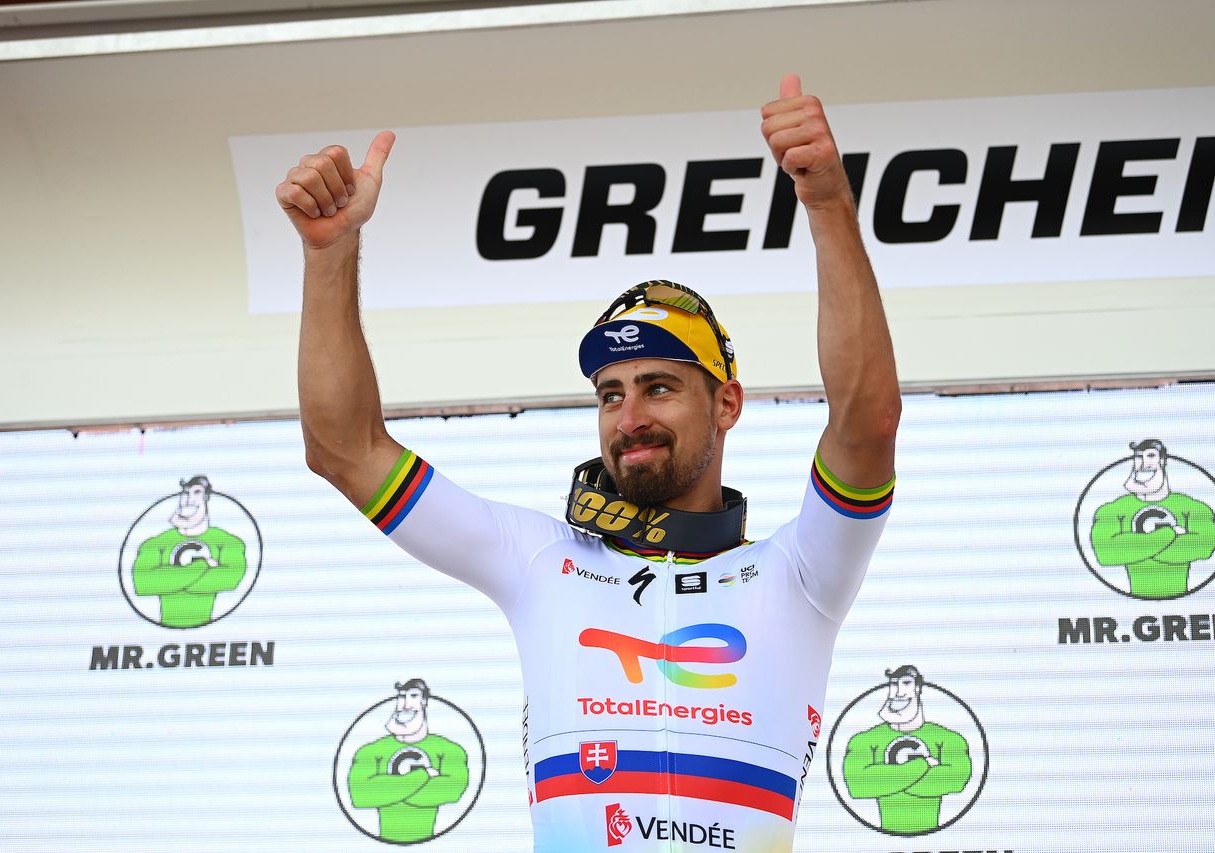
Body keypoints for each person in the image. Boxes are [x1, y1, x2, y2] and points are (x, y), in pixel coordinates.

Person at [278, 75, 900, 852]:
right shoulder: (541, 559)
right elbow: (344, 448)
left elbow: (868, 421)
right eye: (610, 394)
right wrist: (329, 254)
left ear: (728, 405)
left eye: (660, 387)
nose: (629, 416)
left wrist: (828, 203)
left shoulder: (802, 572)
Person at [843, 665, 971, 835]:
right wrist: (923, 764)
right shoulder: (864, 740)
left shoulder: (949, 739)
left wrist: (887, 780)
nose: (899, 692)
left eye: (906, 683)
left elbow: (956, 780)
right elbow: (857, 786)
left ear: (918, 688)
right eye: (894, 684)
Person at [1090, 438, 1215, 598]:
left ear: (1163, 461)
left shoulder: (1194, 508)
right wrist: (1170, 534)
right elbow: (1106, 554)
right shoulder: (1112, 511)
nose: (1144, 463)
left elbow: (1204, 547)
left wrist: (1135, 548)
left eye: (1150, 456)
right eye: (1138, 457)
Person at [348, 679, 470, 842]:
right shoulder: (370, 751)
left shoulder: (450, 751)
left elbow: (452, 791)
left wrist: (388, 790)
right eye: (401, 696)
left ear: (424, 701)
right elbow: (360, 796)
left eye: (413, 696)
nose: (406, 704)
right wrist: (424, 775)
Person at [131, 475, 247, 628]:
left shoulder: (228, 542)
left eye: (197, 492)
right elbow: (143, 584)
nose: (190, 499)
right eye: (186, 493)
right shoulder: (155, 544)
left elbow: (230, 580)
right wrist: (202, 564)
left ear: (206, 497)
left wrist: (170, 580)